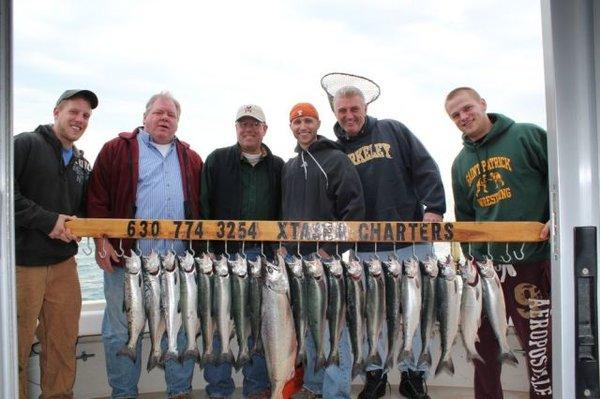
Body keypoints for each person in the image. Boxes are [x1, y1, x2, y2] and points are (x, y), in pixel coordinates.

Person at [332, 86, 446, 399]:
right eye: (343, 111)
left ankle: (414, 374)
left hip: (411, 241)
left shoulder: (392, 130)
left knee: (418, 312)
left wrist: (434, 207)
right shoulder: (333, 150)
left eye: (354, 108)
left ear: (365, 107)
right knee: (372, 315)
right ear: (335, 112)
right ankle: (375, 375)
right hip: (365, 248)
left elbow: (424, 166)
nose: (349, 115)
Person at [87, 92, 202, 399]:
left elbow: (203, 209)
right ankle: (124, 394)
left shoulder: (191, 158)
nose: (165, 118)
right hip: (127, 261)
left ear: (178, 122)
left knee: (178, 327)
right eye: (159, 112)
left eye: (171, 115)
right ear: (145, 117)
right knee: (120, 332)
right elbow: (96, 198)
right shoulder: (116, 149)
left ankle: (180, 391)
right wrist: (101, 241)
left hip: (178, 264)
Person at [445, 87, 552, 399]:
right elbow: (465, 219)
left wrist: (559, 215)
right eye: (455, 115)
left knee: (539, 347)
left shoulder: (527, 136)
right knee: (483, 349)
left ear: (482, 104)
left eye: (467, 108)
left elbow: (561, 179)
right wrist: (472, 263)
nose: (463, 117)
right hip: (485, 270)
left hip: (531, 261)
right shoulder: (460, 163)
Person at [14, 89, 98, 398]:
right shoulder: (25, 144)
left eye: (86, 115)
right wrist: (49, 221)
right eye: (73, 112)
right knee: (16, 345)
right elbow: (6, 196)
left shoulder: (81, 164)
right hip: (21, 266)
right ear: (56, 112)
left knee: (63, 343)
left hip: (65, 266)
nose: (80, 119)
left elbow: (86, 212)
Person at [282, 102, 365, 399]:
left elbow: (354, 210)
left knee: (333, 332)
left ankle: (336, 393)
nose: (302, 126)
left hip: (326, 262)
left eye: (308, 121)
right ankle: (314, 387)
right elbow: (285, 215)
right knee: (307, 327)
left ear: (317, 124)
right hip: (294, 261)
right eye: (297, 122)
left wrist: (330, 251)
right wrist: (283, 247)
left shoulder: (336, 159)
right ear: (291, 127)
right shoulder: (289, 167)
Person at [200, 104, 283, 399]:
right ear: (236, 128)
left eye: (254, 124)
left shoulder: (279, 166)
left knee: (259, 326)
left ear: (264, 129)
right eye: (243, 124)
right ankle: (219, 389)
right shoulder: (216, 160)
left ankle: (257, 387)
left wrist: (280, 249)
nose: (248, 129)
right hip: (222, 258)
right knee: (218, 323)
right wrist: (205, 251)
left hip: (263, 259)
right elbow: (203, 205)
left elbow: (283, 212)